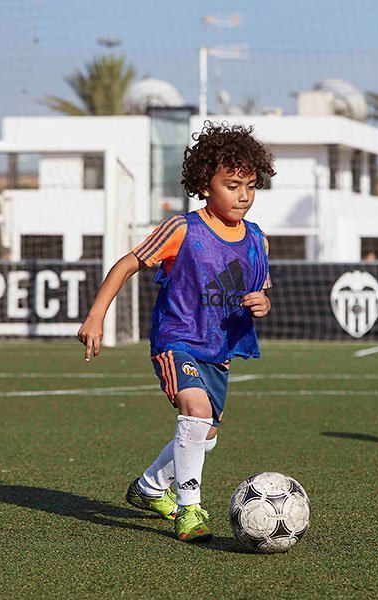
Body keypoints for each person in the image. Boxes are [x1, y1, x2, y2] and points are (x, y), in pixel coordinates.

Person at [77, 122, 275, 542]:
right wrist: (97, 316)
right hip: (177, 340)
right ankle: (189, 510)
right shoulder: (182, 229)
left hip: (218, 349)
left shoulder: (257, 239)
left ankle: (150, 487)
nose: (243, 195)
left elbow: (260, 292)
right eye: (233, 184)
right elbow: (127, 264)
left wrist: (262, 302)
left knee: (206, 435)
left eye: (251, 185)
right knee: (196, 412)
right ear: (205, 184)